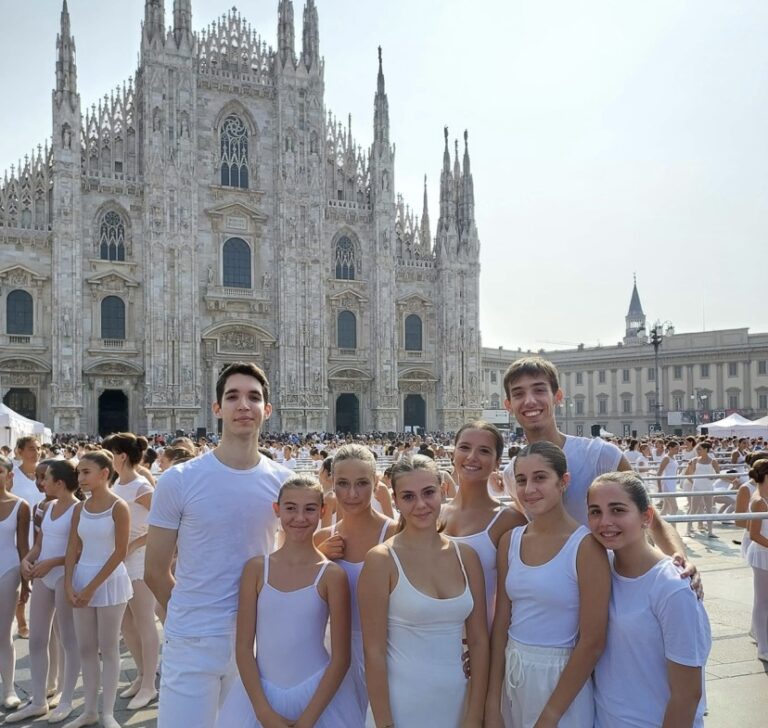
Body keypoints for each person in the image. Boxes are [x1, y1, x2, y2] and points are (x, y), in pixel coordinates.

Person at [145, 363, 292, 728]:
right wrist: (188, 617)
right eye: (233, 396)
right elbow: (153, 571)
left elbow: (287, 559)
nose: (244, 405)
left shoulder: (285, 483)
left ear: (267, 410)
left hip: (256, 640)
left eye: (254, 397)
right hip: (192, 638)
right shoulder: (179, 480)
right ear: (217, 408)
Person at [501, 357, 693, 565]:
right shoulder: (512, 474)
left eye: (539, 390)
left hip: (613, 584)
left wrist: (680, 560)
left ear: (558, 396)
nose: (529, 401)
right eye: (519, 394)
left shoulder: (602, 455)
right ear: (508, 405)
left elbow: (652, 520)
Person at [359, 455, 488, 728]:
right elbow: (373, 651)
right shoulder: (381, 559)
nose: (420, 505)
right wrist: (384, 723)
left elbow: (478, 641)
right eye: (408, 497)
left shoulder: (466, 556)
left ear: (443, 491)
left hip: (459, 702)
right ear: (395, 501)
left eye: (428, 493)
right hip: (401, 704)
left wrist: (475, 715)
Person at [485, 442, 609, 728]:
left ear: (563, 482)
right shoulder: (510, 541)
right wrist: (493, 702)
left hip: (562, 683)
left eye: (540, 478)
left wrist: (550, 717)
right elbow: (502, 622)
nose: (529, 489)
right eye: (521, 480)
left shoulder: (586, 547)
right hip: (513, 676)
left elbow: (592, 642)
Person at [226, 475, 362, 727]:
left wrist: (307, 721)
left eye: (309, 509)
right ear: (277, 510)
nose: (300, 518)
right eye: (291, 508)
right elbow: (244, 647)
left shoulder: (331, 575)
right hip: (261, 696)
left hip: (318, 697)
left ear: (322, 512)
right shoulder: (256, 569)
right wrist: (263, 713)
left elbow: (341, 658)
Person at [587, 471, 711, 727]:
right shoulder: (599, 569)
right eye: (595, 511)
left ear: (646, 517)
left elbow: (687, 694)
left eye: (618, 510)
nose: (604, 521)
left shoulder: (672, 586)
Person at [314, 445, 397, 717]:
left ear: (376, 483)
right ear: (331, 485)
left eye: (362, 483)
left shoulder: (395, 534)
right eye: (343, 484)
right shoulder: (321, 540)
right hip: (332, 653)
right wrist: (317, 561)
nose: (352, 494)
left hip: (388, 653)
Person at [7, 461, 81, 724]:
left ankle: (66, 699)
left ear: (59, 483)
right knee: (37, 639)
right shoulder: (46, 507)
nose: (41, 482)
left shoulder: (77, 510)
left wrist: (50, 563)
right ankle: (39, 700)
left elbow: (77, 551)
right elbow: (39, 543)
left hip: (63, 576)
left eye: (45, 478)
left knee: (68, 641)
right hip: (43, 576)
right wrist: (27, 560)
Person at [64, 450, 133, 728]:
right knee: (85, 647)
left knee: (108, 647)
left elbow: (120, 552)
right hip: (82, 578)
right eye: (79, 472)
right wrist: (69, 582)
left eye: (85, 472)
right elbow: (72, 547)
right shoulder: (79, 508)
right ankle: (89, 710)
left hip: (109, 581)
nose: (80, 478)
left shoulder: (119, 507)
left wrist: (91, 587)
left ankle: (107, 712)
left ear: (105, 474)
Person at [441, 421, 526, 627]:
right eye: (464, 447)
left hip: (486, 637)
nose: (471, 457)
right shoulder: (435, 514)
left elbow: (519, 595)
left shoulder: (510, 520)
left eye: (484, 451)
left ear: (497, 462)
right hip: (437, 639)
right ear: (453, 454)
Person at [103, 432, 159, 710]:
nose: (109, 459)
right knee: (126, 622)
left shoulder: (140, 488)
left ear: (121, 456)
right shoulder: (116, 485)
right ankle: (140, 674)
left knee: (144, 621)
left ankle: (150, 683)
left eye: (111, 453)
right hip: (119, 560)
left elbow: (164, 523)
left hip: (138, 561)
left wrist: (135, 543)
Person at [0, 455, 30, 712]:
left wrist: (26, 579)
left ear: (9, 475)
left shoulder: (21, 505)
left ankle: (8, 689)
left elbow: (23, 546)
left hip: (8, 570)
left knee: (3, 632)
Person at [746, 458, 768, 662]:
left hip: (765, 551)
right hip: (762, 553)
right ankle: (763, 646)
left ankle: (758, 633)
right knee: (762, 601)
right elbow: (754, 534)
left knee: (763, 600)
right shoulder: (759, 501)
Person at [684, 442, 720, 537]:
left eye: (700, 449)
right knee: (693, 509)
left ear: (706, 450)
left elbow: (718, 473)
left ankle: (710, 531)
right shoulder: (695, 460)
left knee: (709, 509)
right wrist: (690, 467)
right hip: (697, 487)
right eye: (697, 449)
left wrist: (713, 477)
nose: (698, 450)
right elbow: (689, 474)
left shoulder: (713, 461)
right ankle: (688, 530)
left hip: (708, 487)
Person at [657, 440, 681, 517]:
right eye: (676, 448)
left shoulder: (673, 457)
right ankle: (672, 527)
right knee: (675, 508)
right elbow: (659, 473)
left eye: (678, 448)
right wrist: (659, 488)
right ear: (670, 448)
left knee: (666, 508)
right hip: (667, 483)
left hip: (672, 483)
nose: (678, 450)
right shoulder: (666, 458)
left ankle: (658, 527)